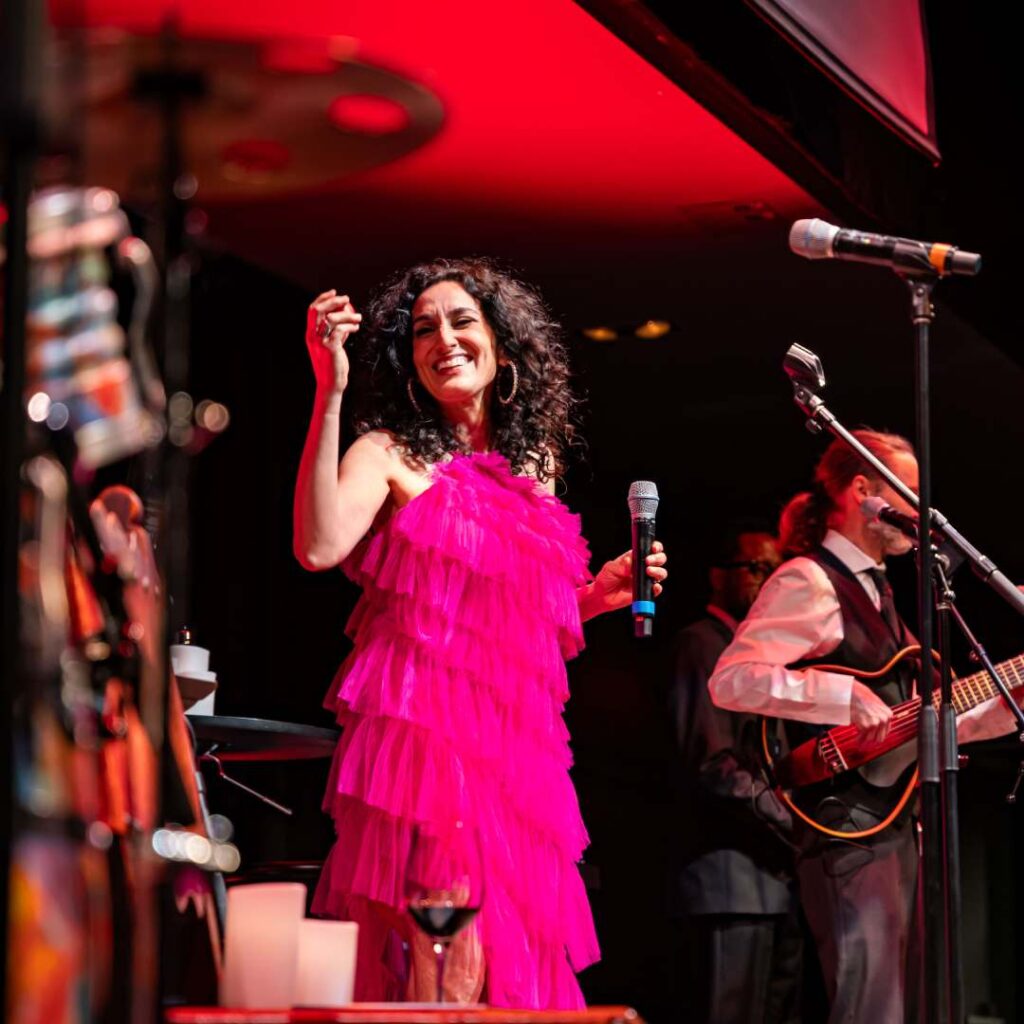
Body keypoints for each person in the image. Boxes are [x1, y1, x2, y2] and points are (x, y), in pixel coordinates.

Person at [292, 258, 668, 1009]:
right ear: (409, 361)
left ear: (502, 345)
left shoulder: (536, 467)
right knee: (448, 946)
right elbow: (319, 546)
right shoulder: (392, 454)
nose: (445, 338)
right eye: (424, 328)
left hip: (517, 747)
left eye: (462, 320)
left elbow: (515, 619)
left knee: (510, 955)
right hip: (431, 738)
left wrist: (594, 597)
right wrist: (329, 391)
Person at [708, 430, 1014, 1024]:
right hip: (846, 827)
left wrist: (1002, 706)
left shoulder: (883, 594)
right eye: (909, 492)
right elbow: (733, 678)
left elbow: (919, 720)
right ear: (863, 491)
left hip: (896, 826)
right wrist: (838, 693)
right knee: (873, 1010)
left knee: (910, 1006)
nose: (920, 511)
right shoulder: (810, 580)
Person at [669, 522, 801, 1024]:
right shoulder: (701, 646)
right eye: (758, 569)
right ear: (717, 576)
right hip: (727, 885)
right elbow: (714, 766)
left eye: (776, 570)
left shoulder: (760, 658)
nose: (769, 582)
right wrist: (798, 825)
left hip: (773, 881)